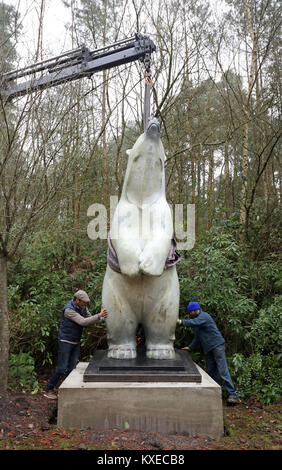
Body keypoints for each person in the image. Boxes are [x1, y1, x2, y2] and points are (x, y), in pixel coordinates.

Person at [44, 290, 107, 399]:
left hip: (75, 341)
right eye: (84, 302)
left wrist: (102, 317)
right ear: (77, 300)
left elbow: (90, 319)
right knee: (62, 367)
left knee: (72, 368)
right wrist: (98, 316)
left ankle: (65, 390)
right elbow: (83, 322)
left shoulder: (82, 307)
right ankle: (49, 389)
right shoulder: (69, 310)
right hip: (66, 341)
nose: (85, 305)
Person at [177, 301, 238, 405]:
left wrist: (181, 322)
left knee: (222, 370)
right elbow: (197, 338)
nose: (190, 314)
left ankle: (232, 395)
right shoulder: (197, 321)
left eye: (191, 312)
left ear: (197, 310)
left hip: (217, 345)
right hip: (208, 349)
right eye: (190, 312)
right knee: (211, 371)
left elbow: (192, 323)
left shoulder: (204, 316)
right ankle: (216, 394)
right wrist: (189, 347)